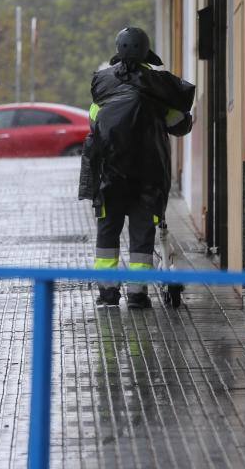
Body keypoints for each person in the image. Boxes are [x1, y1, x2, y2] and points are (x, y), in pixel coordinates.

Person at [78, 26, 195, 309]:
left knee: (107, 233)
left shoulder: (103, 86)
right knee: (142, 236)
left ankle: (107, 294)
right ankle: (137, 295)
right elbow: (179, 123)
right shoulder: (157, 87)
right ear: (147, 51)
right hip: (148, 178)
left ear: (118, 51)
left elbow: (94, 122)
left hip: (110, 177)